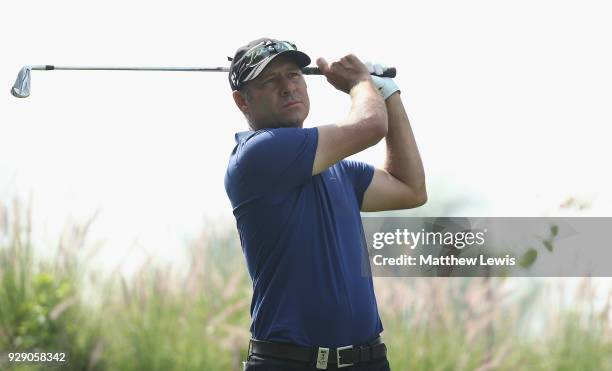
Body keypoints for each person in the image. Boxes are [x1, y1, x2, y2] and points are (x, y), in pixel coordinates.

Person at [224, 38, 427, 371]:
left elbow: (410, 188)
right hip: (288, 363)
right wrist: (361, 83)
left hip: (366, 361)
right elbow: (371, 126)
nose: (287, 87)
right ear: (242, 101)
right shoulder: (258, 154)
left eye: (293, 75)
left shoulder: (338, 169)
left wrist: (388, 94)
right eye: (269, 80)